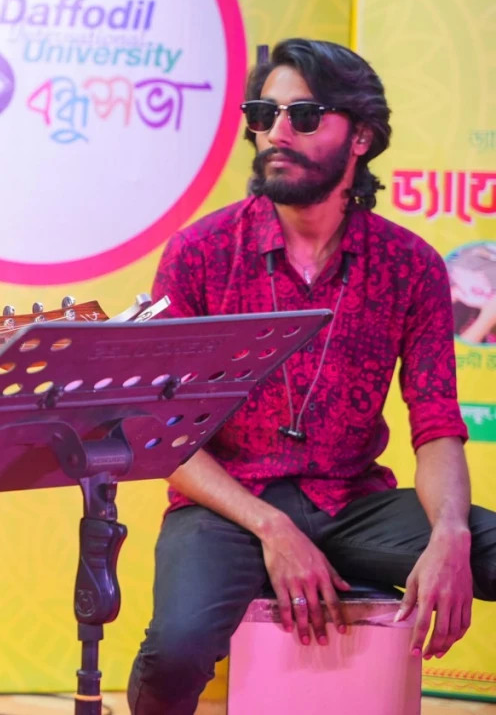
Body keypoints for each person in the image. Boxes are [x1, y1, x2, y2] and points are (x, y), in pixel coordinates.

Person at [126, 38, 496, 714]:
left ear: (362, 136)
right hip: (229, 506)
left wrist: (450, 533)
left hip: (353, 502)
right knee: (175, 649)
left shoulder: (408, 265)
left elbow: (437, 424)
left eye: (303, 115)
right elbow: (165, 434)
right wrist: (273, 528)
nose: (276, 132)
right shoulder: (201, 253)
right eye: (263, 114)